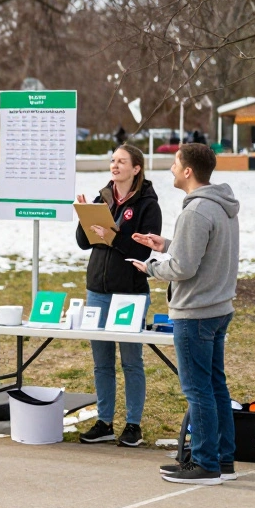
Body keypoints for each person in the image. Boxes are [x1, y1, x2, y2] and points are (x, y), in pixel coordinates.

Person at [132, 144, 241, 486]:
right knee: (215, 387)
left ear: (188, 171)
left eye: (175, 164)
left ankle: (205, 464)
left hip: (195, 312)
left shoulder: (195, 212)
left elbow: (183, 268)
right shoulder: (222, 206)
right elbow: (201, 252)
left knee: (198, 391)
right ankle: (223, 459)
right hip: (218, 308)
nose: (171, 170)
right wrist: (165, 244)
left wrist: (151, 268)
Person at [74, 145, 161, 448]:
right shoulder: (104, 198)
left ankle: (133, 425)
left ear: (136, 168)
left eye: (121, 161)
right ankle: (104, 422)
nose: (115, 165)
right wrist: (85, 216)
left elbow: (143, 250)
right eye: (113, 160)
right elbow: (84, 243)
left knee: (131, 361)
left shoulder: (148, 205)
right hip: (97, 289)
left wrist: (111, 237)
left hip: (130, 292)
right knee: (101, 362)